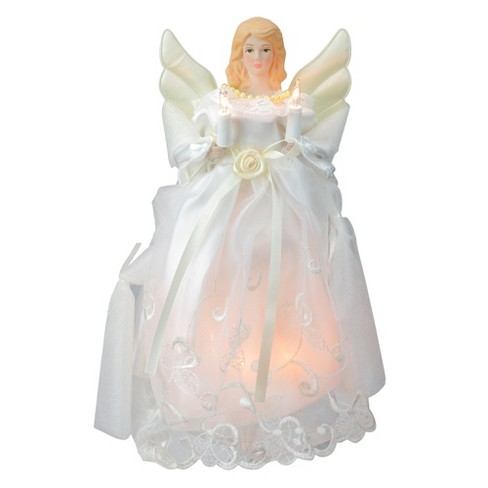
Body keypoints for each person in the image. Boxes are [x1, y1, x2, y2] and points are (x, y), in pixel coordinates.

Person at [95, 17, 385, 469]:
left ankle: (280, 392)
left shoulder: (290, 101)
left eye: (266, 50)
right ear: (238, 54)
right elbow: (199, 150)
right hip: (226, 204)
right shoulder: (221, 100)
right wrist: (215, 149)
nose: (258, 58)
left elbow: (305, 150)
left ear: (277, 55)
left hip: (279, 204)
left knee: (284, 284)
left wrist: (290, 149)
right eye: (250, 50)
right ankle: (223, 388)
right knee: (217, 280)